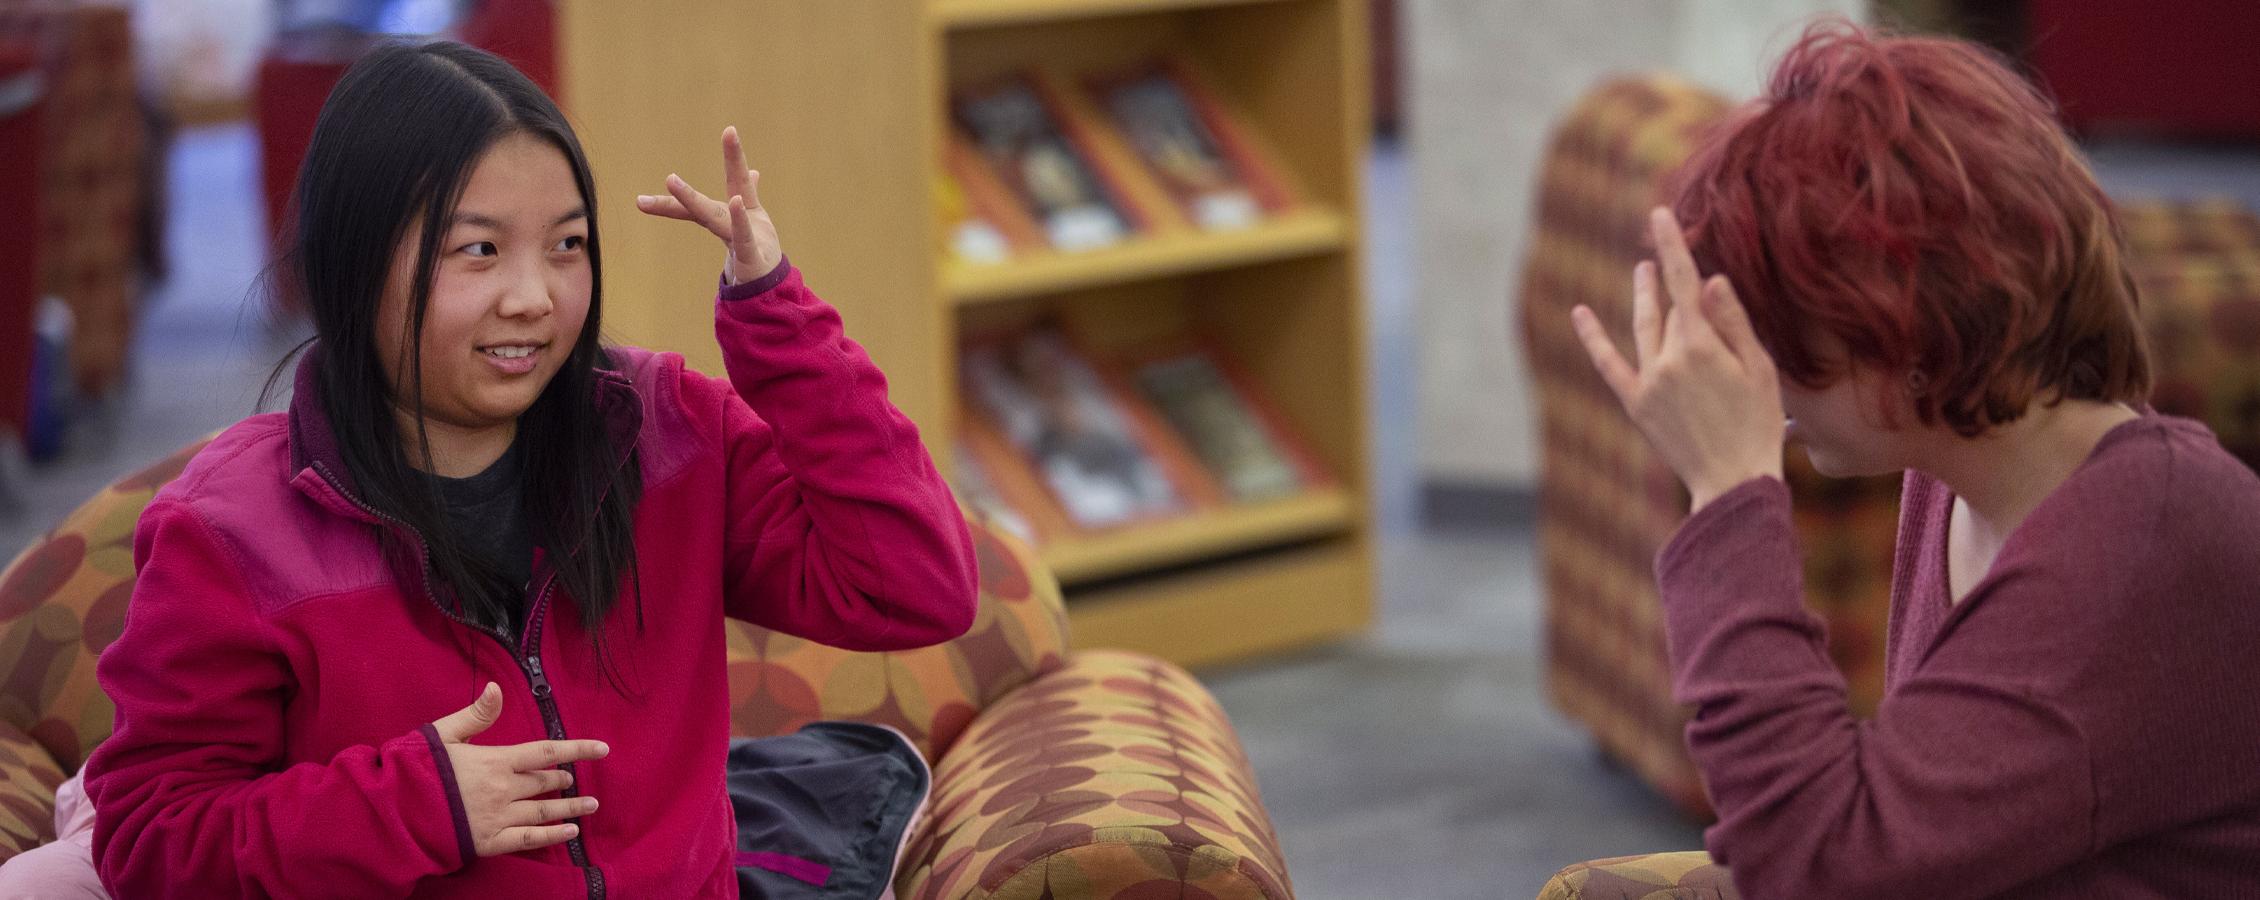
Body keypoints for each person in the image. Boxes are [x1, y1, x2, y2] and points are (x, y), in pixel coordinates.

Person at [72, 41, 977, 898]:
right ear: (353, 261)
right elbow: (153, 845)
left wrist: (777, 318)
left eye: (567, 245)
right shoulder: (231, 533)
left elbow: (915, 586)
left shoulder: (667, 433)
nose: (535, 298)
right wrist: (413, 804)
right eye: (480, 250)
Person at [1569, 20, 2260, 899]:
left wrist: (1729, 494)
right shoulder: (1963, 473)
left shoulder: (2133, 556)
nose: (1763, 378)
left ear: (1906, 328)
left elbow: (1817, 869)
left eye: (1782, 332)